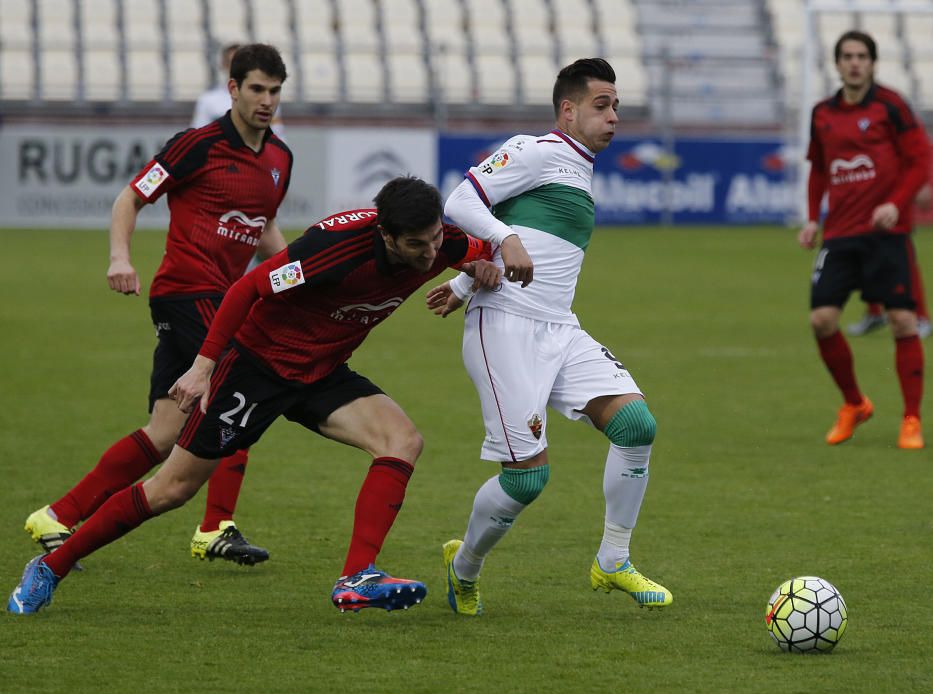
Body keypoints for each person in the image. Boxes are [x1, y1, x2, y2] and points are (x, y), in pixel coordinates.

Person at [7, 176, 503, 615]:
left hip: (322, 371)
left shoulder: (443, 241)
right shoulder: (334, 246)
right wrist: (202, 370)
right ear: (385, 235)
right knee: (172, 490)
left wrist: (481, 267)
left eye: (435, 238)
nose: (428, 253)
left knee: (402, 440)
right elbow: (247, 290)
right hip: (255, 368)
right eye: (416, 245)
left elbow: (481, 253)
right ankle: (52, 566)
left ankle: (356, 576)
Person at [23, 43, 293, 569]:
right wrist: (119, 257)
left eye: (275, 91)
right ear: (233, 89)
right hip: (187, 290)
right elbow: (131, 197)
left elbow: (261, 229)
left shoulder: (281, 158)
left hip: (221, 297)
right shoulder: (196, 145)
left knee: (167, 431)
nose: (266, 100)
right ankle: (216, 526)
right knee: (241, 386)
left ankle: (56, 515)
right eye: (256, 89)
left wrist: (297, 280)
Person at [427, 58, 672, 616]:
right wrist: (502, 239)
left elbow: (538, 245)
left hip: (559, 326)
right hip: (505, 329)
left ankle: (612, 561)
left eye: (617, 107)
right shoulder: (534, 149)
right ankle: (464, 568)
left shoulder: (580, 167)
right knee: (529, 477)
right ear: (569, 109)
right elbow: (459, 202)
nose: (613, 117)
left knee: (637, 426)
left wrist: (467, 280)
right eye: (602, 106)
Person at [798, 30, 930, 449]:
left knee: (902, 321)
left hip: (886, 234)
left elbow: (921, 160)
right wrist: (811, 218)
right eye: (847, 56)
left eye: (862, 56)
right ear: (837, 64)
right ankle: (854, 404)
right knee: (821, 320)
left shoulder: (890, 106)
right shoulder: (822, 113)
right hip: (839, 233)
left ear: (873, 63)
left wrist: (897, 203)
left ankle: (911, 419)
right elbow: (819, 169)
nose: (854, 63)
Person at [847, 184, 931, 339]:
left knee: (904, 259)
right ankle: (875, 313)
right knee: (863, 253)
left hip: (894, 198)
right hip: (868, 193)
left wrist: (921, 184)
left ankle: (920, 317)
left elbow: (914, 162)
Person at [193, 42, 286, 138]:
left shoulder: (268, 98)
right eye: (232, 64)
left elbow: (278, 134)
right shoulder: (208, 100)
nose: (266, 102)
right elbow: (198, 136)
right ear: (224, 65)